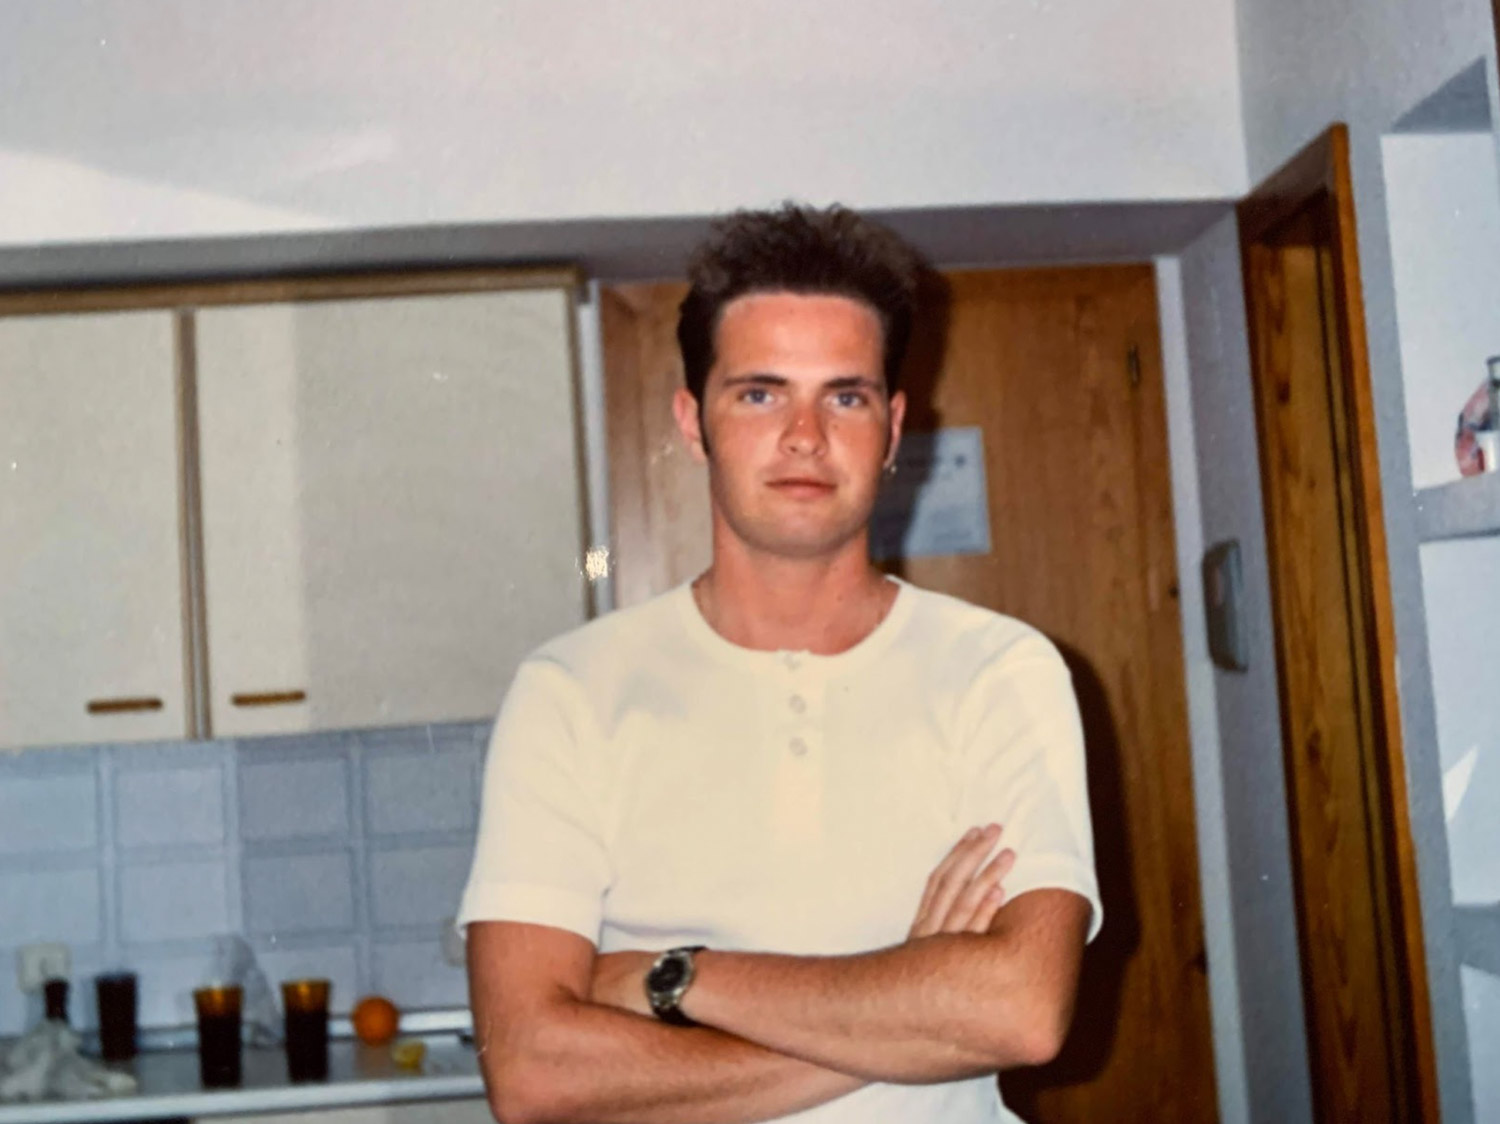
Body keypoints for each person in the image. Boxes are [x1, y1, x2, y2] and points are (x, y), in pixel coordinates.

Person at [458, 203, 1101, 1124]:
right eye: (760, 392)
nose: (805, 435)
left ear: (892, 429)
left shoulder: (1000, 669)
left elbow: (1022, 1011)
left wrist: (672, 979)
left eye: (846, 395)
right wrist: (902, 1005)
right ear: (692, 423)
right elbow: (533, 1074)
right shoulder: (571, 692)